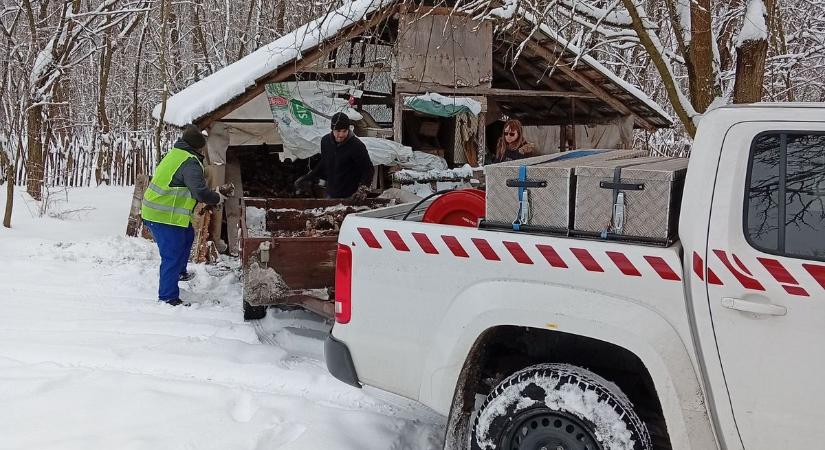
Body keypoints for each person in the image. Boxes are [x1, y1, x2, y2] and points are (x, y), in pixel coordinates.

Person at [141, 124, 228, 306]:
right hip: (162, 215)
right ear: (199, 146)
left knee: (187, 236)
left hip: (166, 212)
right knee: (171, 255)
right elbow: (200, 192)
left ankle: (180, 272)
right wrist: (217, 197)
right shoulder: (190, 162)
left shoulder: (177, 153)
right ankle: (168, 297)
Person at [294, 112, 374, 200]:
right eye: (338, 131)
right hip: (331, 194)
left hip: (351, 195)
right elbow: (324, 163)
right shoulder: (326, 142)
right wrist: (308, 177)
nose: (341, 135)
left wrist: (363, 189)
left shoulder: (356, 146)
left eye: (344, 131)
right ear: (332, 129)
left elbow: (368, 169)